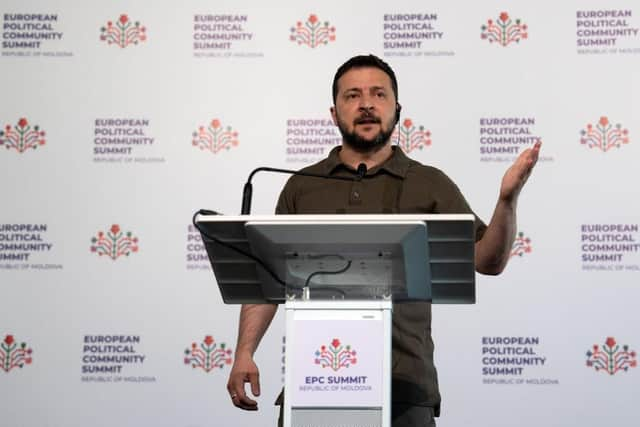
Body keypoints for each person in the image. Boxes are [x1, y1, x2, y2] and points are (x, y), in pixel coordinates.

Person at [227, 54, 541, 426]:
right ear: (334, 113)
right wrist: (244, 351)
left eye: (379, 94)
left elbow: (488, 261)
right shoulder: (301, 186)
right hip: (313, 383)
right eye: (352, 96)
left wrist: (507, 200)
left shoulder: (430, 183)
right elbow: (268, 280)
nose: (366, 105)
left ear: (397, 109)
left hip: (405, 388)